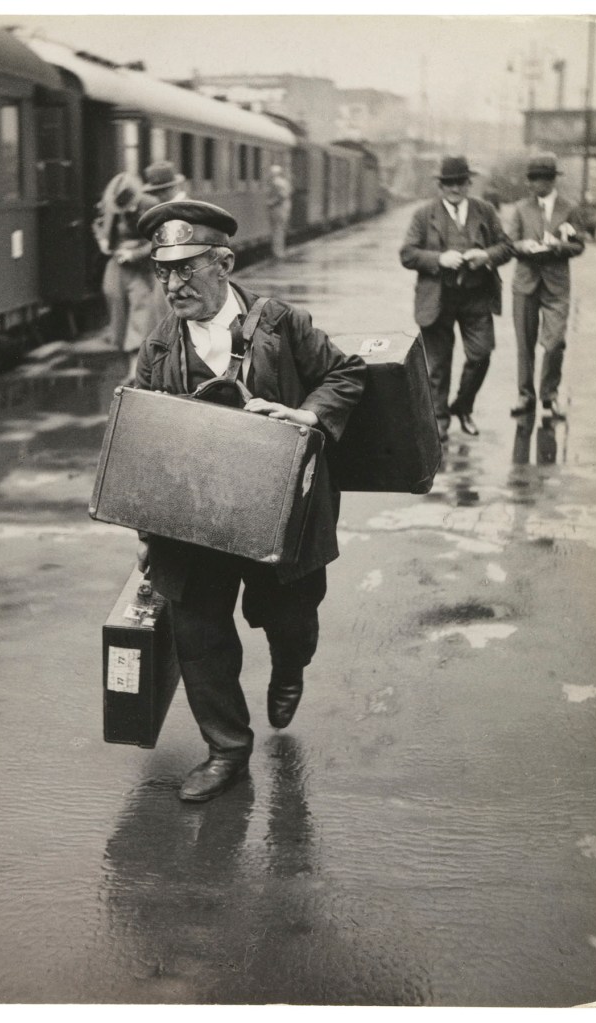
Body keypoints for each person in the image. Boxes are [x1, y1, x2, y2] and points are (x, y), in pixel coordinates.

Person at [133, 199, 366, 802]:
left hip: (280, 514)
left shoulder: (282, 323)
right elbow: (143, 437)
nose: (173, 285)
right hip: (195, 518)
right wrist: (145, 532)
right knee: (200, 632)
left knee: (289, 620)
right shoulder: (159, 346)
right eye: (163, 272)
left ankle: (290, 667)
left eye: (187, 269)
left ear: (225, 262)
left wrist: (305, 413)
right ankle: (227, 751)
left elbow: (347, 374)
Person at [399, 155, 513, 442]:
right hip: (437, 298)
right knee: (437, 365)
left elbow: (507, 246)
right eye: (448, 183)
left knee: (481, 354)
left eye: (460, 182)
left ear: (468, 183)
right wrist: (440, 258)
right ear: (440, 185)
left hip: (476, 296)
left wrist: (486, 255)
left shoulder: (484, 211)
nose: (454, 188)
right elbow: (408, 254)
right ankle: (439, 419)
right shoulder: (424, 215)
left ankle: (463, 405)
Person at [507, 153, 586, 420]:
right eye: (533, 179)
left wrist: (558, 245)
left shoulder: (570, 208)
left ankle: (549, 397)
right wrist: (523, 246)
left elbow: (579, 245)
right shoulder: (520, 208)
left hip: (557, 286)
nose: (537, 184)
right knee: (525, 343)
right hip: (525, 283)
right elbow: (510, 243)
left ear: (553, 180)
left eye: (543, 179)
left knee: (554, 344)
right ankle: (525, 395)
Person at [93, 172, 155, 356]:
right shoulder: (109, 204)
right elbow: (98, 224)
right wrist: (102, 240)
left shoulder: (151, 205)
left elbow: (160, 239)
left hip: (142, 267)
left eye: (130, 207)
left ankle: (135, 368)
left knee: (140, 310)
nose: (127, 211)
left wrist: (134, 253)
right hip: (117, 263)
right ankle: (123, 350)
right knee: (113, 299)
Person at [137, 161, 189, 324]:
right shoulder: (169, 208)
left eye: (159, 192)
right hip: (167, 273)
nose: (156, 197)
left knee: (173, 320)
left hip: (181, 274)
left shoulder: (185, 209)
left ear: (170, 189)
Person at [265, 164, 292, 260]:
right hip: (284, 209)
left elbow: (281, 196)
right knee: (280, 230)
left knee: (277, 231)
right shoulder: (285, 182)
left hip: (278, 209)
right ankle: (280, 251)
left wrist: (270, 203)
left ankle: (277, 253)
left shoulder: (276, 183)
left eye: (271, 173)